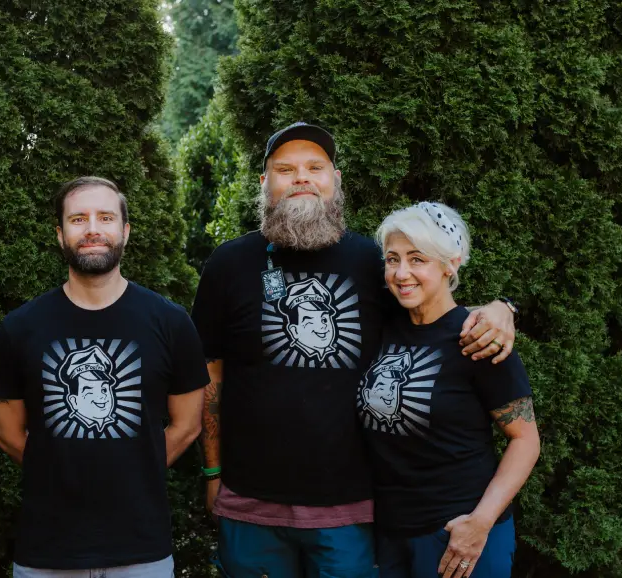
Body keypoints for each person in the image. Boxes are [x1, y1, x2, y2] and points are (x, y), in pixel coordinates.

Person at [190, 122, 519, 577]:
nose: (301, 177)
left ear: (336, 180)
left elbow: (435, 312)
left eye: (314, 167)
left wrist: (502, 308)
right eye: (285, 169)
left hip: (351, 510)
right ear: (265, 184)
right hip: (250, 505)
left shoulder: (374, 263)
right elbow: (210, 377)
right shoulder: (228, 264)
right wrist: (212, 473)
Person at [0, 176, 209, 578]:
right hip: (46, 553)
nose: (92, 228)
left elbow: (187, 425)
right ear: (60, 234)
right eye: (78, 219)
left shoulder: (171, 323)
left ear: (125, 231)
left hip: (143, 551)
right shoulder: (19, 329)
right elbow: (7, 434)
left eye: (105, 217)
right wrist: (58, 469)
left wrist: (133, 469)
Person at [361, 202, 540, 578]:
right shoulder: (384, 328)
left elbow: (526, 440)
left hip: (459, 534)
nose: (402, 272)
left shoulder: (478, 338)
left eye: (417, 259)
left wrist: (480, 522)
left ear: (450, 264)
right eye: (392, 259)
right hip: (391, 535)